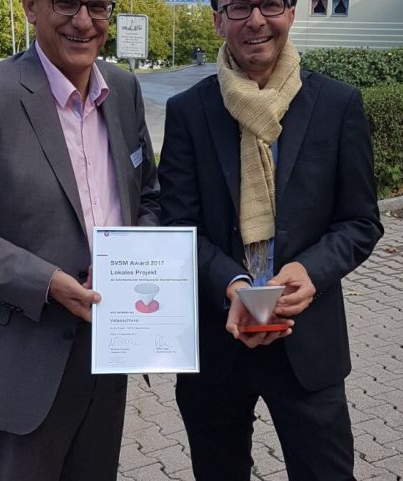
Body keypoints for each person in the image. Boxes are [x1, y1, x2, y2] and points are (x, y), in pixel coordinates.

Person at [0, 0, 159, 478]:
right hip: (20, 356)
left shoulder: (124, 89)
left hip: (108, 346)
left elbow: (149, 197)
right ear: (30, 8)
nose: (84, 21)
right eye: (66, 3)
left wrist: (134, 257)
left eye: (98, 5)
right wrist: (46, 281)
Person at [157, 0, 383, 478]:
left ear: (292, 12)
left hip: (308, 345)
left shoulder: (338, 105)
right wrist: (233, 283)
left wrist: (311, 270)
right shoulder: (188, 112)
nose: (256, 20)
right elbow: (178, 228)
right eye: (239, 6)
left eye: (271, 3)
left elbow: (361, 221)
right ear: (218, 18)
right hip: (218, 343)